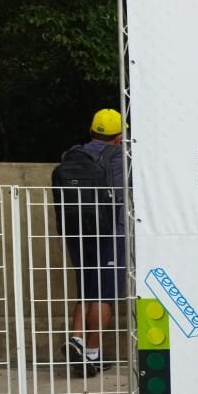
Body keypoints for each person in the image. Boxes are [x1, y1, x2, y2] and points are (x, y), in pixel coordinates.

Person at [57, 109, 125, 375]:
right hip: (110, 231)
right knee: (104, 294)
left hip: (76, 232)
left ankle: (76, 338)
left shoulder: (72, 154)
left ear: (92, 131)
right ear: (119, 136)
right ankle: (92, 352)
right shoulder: (121, 157)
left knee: (85, 289)